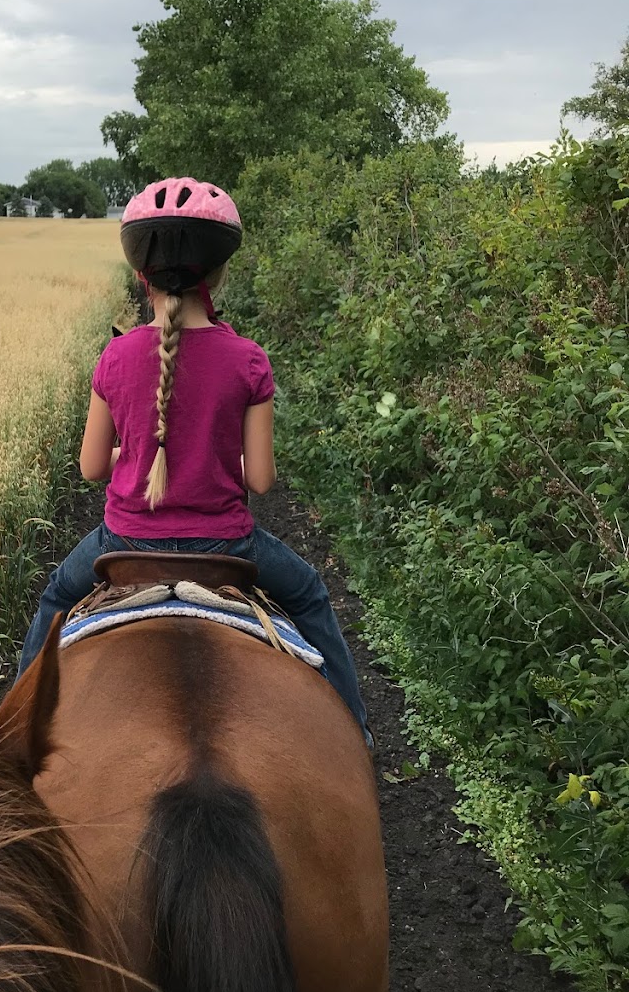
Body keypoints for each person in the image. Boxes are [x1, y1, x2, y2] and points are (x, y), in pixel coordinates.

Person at [18, 177, 371, 746]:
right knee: (308, 594)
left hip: (123, 543)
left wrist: (138, 452)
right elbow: (259, 478)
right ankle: (356, 734)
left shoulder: (115, 355)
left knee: (57, 595)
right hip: (226, 547)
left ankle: (9, 741)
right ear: (217, 275)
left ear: (142, 276)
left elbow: (90, 467)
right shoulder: (248, 361)